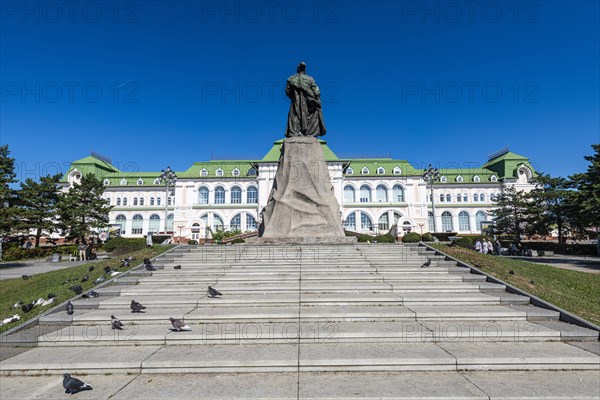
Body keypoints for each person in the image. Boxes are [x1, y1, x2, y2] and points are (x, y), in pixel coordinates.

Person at [285, 62, 327, 137]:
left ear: (298, 70)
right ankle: (308, 132)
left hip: (296, 101)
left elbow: (287, 91)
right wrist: (317, 99)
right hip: (309, 101)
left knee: (295, 115)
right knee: (312, 114)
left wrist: (293, 96)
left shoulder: (291, 78)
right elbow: (316, 91)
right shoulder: (310, 79)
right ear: (304, 70)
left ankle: (294, 133)